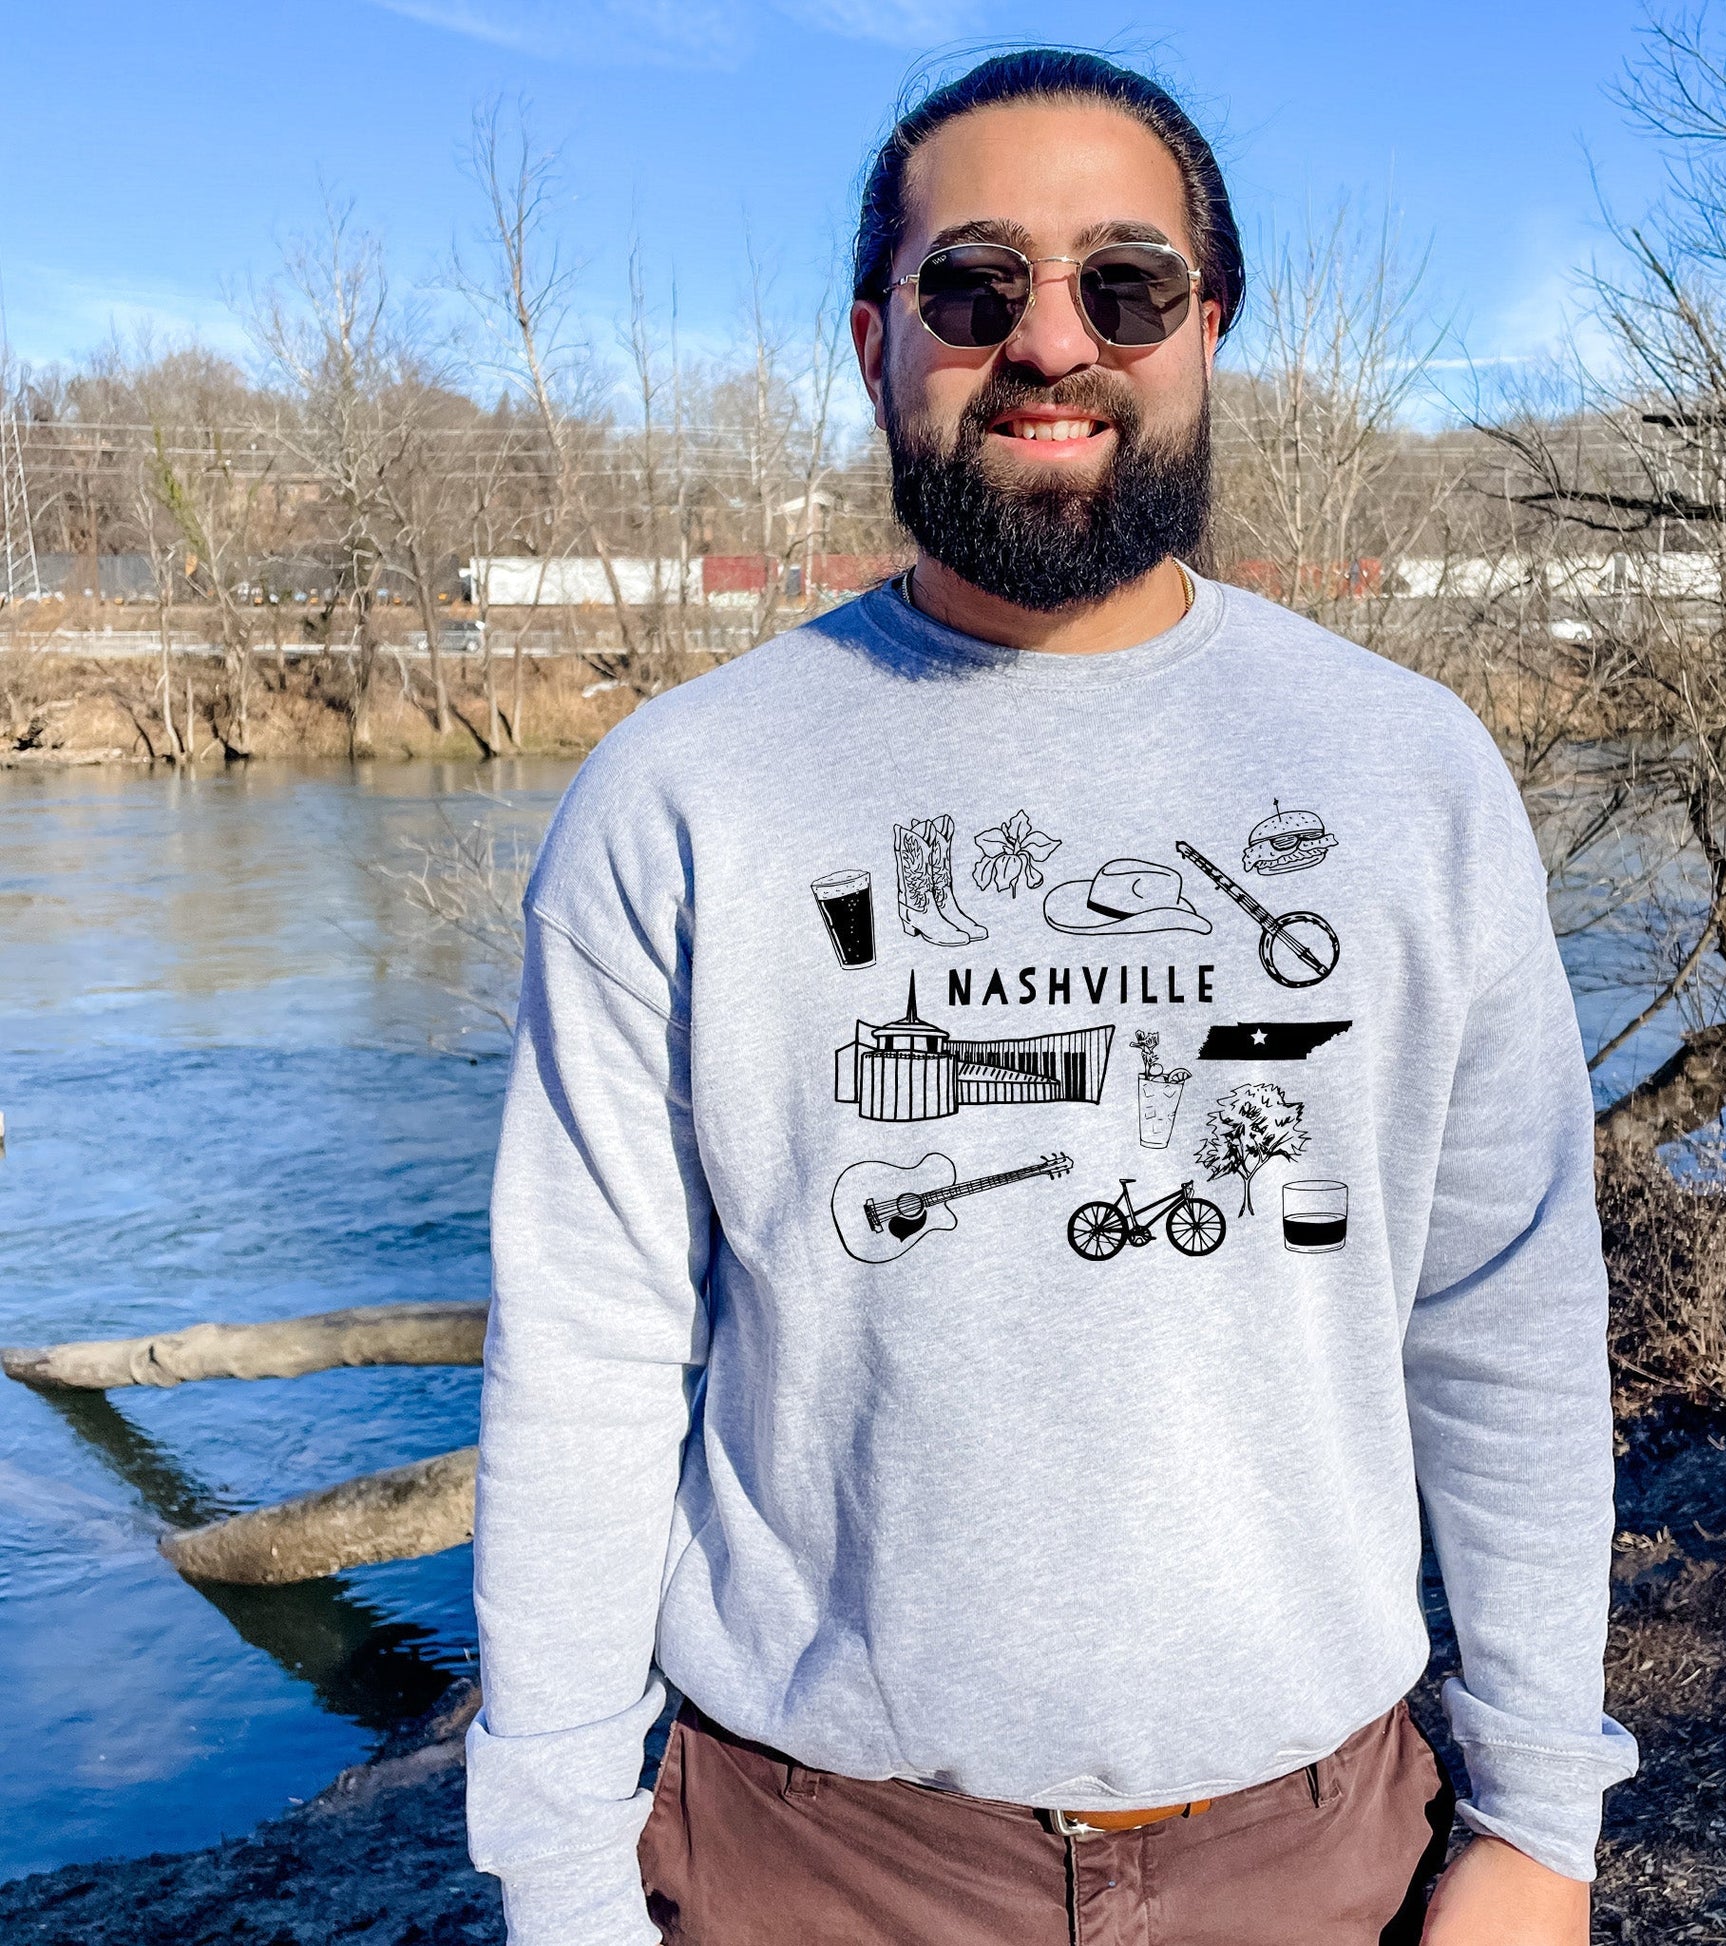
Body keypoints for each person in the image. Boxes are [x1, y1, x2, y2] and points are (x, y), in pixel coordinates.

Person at [465, 48, 1638, 1946]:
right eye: (972, 284)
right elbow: (588, 1360)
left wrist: (1539, 1818)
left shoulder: (1410, 773)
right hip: (808, 1861)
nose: (1048, 340)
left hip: (1322, 1850)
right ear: (875, 340)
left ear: (1206, 327)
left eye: (1125, 284)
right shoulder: (681, 792)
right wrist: (559, 1871)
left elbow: (1503, 1315)